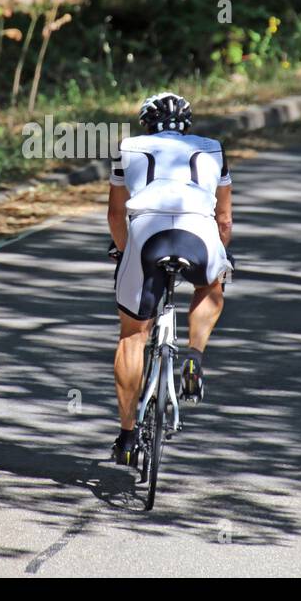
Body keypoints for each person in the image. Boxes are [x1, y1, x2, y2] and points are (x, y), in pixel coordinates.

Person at [107, 92, 233, 465]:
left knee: (133, 334)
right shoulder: (213, 148)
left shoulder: (127, 147)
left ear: (147, 124)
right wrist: (222, 251)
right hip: (198, 229)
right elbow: (223, 220)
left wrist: (124, 250)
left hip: (146, 231)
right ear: (187, 125)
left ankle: (128, 438)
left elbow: (116, 216)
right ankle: (194, 355)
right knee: (210, 285)